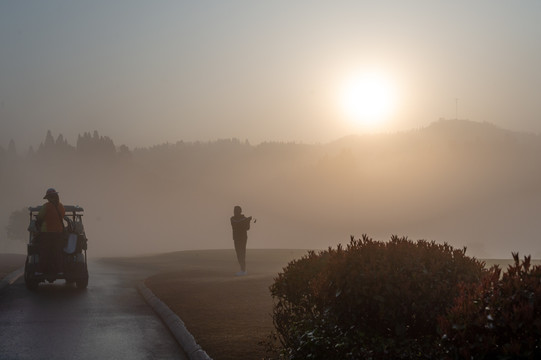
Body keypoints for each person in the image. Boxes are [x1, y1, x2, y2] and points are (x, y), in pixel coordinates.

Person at [36, 188, 65, 275]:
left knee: (44, 252)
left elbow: (39, 217)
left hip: (46, 233)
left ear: (49, 197)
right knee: (57, 252)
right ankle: (59, 271)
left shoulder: (46, 206)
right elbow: (62, 217)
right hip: (58, 233)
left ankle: (41, 271)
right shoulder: (61, 206)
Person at [230, 205, 253, 276]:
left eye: (236, 211)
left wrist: (248, 221)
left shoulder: (244, 218)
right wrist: (246, 220)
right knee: (238, 254)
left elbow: (247, 228)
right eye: (234, 211)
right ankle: (242, 269)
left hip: (243, 238)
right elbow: (236, 224)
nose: (234, 212)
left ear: (239, 211)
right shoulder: (232, 218)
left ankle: (243, 270)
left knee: (242, 253)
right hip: (236, 238)